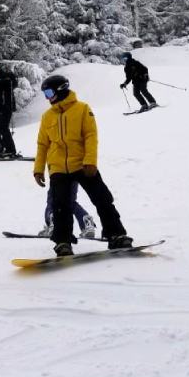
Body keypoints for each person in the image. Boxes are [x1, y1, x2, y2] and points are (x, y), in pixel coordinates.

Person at [34, 74, 133, 256]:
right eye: (44, 93)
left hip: (83, 165)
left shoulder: (82, 109)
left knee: (103, 199)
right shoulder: (47, 116)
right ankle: (63, 242)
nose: (47, 97)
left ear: (60, 90)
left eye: (48, 92)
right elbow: (42, 144)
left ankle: (116, 235)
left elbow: (90, 136)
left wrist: (90, 162)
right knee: (60, 206)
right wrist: (38, 169)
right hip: (58, 169)